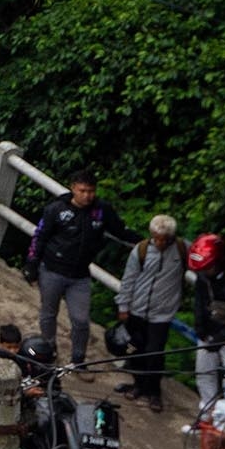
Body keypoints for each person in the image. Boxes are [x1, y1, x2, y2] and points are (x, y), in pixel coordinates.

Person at [30, 173, 127, 363]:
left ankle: (78, 359)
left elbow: (120, 231)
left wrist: (146, 241)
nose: (87, 196)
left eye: (91, 191)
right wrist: (31, 264)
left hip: (80, 275)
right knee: (49, 314)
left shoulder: (102, 210)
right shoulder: (56, 209)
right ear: (73, 188)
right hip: (52, 270)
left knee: (81, 320)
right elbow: (39, 236)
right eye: (83, 191)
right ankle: (48, 350)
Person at [114, 215, 185, 411]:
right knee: (136, 350)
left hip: (162, 313)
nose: (160, 242)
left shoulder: (181, 249)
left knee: (155, 353)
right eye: (157, 237)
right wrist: (123, 306)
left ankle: (154, 391)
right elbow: (129, 279)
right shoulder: (142, 250)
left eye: (165, 238)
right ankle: (138, 384)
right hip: (137, 309)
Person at [190, 232, 225, 411]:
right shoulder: (203, 276)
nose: (203, 273)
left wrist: (221, 337)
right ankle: (207, 417)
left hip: (224, 336)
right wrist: (200, 328)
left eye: (207, 268)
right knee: (204, 374)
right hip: (207, 334)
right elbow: (199, 301)